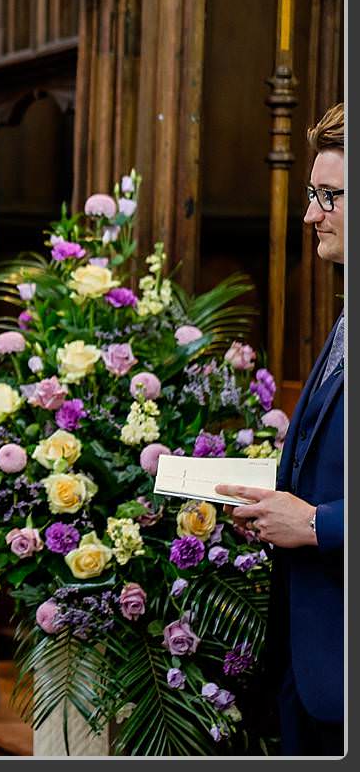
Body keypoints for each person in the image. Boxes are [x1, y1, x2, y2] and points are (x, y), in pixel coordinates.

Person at [219, 102, 345, 756]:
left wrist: (318, 525)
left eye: (329, 196)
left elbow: (320, 511)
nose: (309, 215)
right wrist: (226, 485)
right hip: (310, 661)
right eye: (309, 194)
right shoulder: (345, 319)